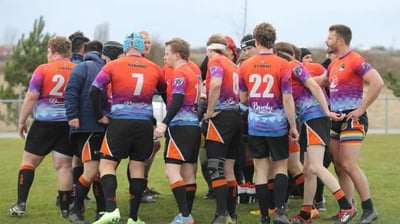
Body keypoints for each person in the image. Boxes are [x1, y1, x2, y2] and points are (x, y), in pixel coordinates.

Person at [273, 42, 355, 224]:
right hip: (308, 120)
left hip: (315, 117)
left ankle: (346, 206)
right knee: (308, 170)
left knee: (316, 167)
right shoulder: (285, 70)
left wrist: (327, 112)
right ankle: (305, 213)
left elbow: (315, 87)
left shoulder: (293, 66)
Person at [89, 32, 167, 224]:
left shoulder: (113, 65)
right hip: (144, 124)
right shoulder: (155, 68)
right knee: (138, 167)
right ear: (141, 48)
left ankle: (111, 210)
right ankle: (134, 217)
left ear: (124, 48)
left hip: (120, 122)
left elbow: (93, 91)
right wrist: (164, 121)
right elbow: (167, 95)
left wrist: (100, 115)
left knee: (106, 164)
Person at [316, 24, 383, 224]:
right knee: (339, 166)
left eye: (329, 38)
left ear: (340, 40)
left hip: (353, 119)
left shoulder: (355, 60)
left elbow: (377, 82)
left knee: (348, 164)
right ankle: (348, 209)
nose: (325, 41)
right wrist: (295, 77)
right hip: (336, 120)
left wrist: (361, 108)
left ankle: (369, 209)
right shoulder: (333, 63)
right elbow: (320, 81)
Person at [238, 22, 299, 224]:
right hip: (277, 125)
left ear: (256, 41)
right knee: (281, 167)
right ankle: (280, 212)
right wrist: (292, 125)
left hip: (255, 125)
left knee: (261, 171)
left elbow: (243, 98)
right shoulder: (283, 64)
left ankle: (264, 217)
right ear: (273, 40)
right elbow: (288, 98)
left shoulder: (245, 65)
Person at [8, 36, 75, 219]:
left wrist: (22, 121)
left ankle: (20, 205)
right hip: (66, 125)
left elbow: (31, 97)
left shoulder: (43, 69)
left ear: (53, 51)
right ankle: (64, 210)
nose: (47, 54)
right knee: (63, 167)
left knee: (28, 163)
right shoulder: (77, 70)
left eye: (47, 51)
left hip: (44, 124)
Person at [65, 40, 123, 223]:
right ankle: (75, 210)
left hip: (108, 128)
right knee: (91, 170)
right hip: (90, 127)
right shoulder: (85, 67)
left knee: (101, 172)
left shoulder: (114, 69)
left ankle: (102, 211)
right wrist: (73, 115)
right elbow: (71, 91)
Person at [154, 38, 201, 224]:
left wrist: (164, 123)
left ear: (177, 54)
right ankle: (185, 214)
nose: (164, 57)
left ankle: (185, 216)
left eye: (167, 53)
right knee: (188, 173)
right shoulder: (193, 72)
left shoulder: (179, 73)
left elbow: (178, 100)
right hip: (193, 127)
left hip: (181, 128)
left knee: (171, 170)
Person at [203, 34, 242, 224]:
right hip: (236, 116)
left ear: (209, 49)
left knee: (215, 166)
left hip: (221, 117)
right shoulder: (233, 65)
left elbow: (217, 84)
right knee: (229, 168)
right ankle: (231, 216)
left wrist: (209, 111)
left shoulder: (216, 61)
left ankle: (220, 215)